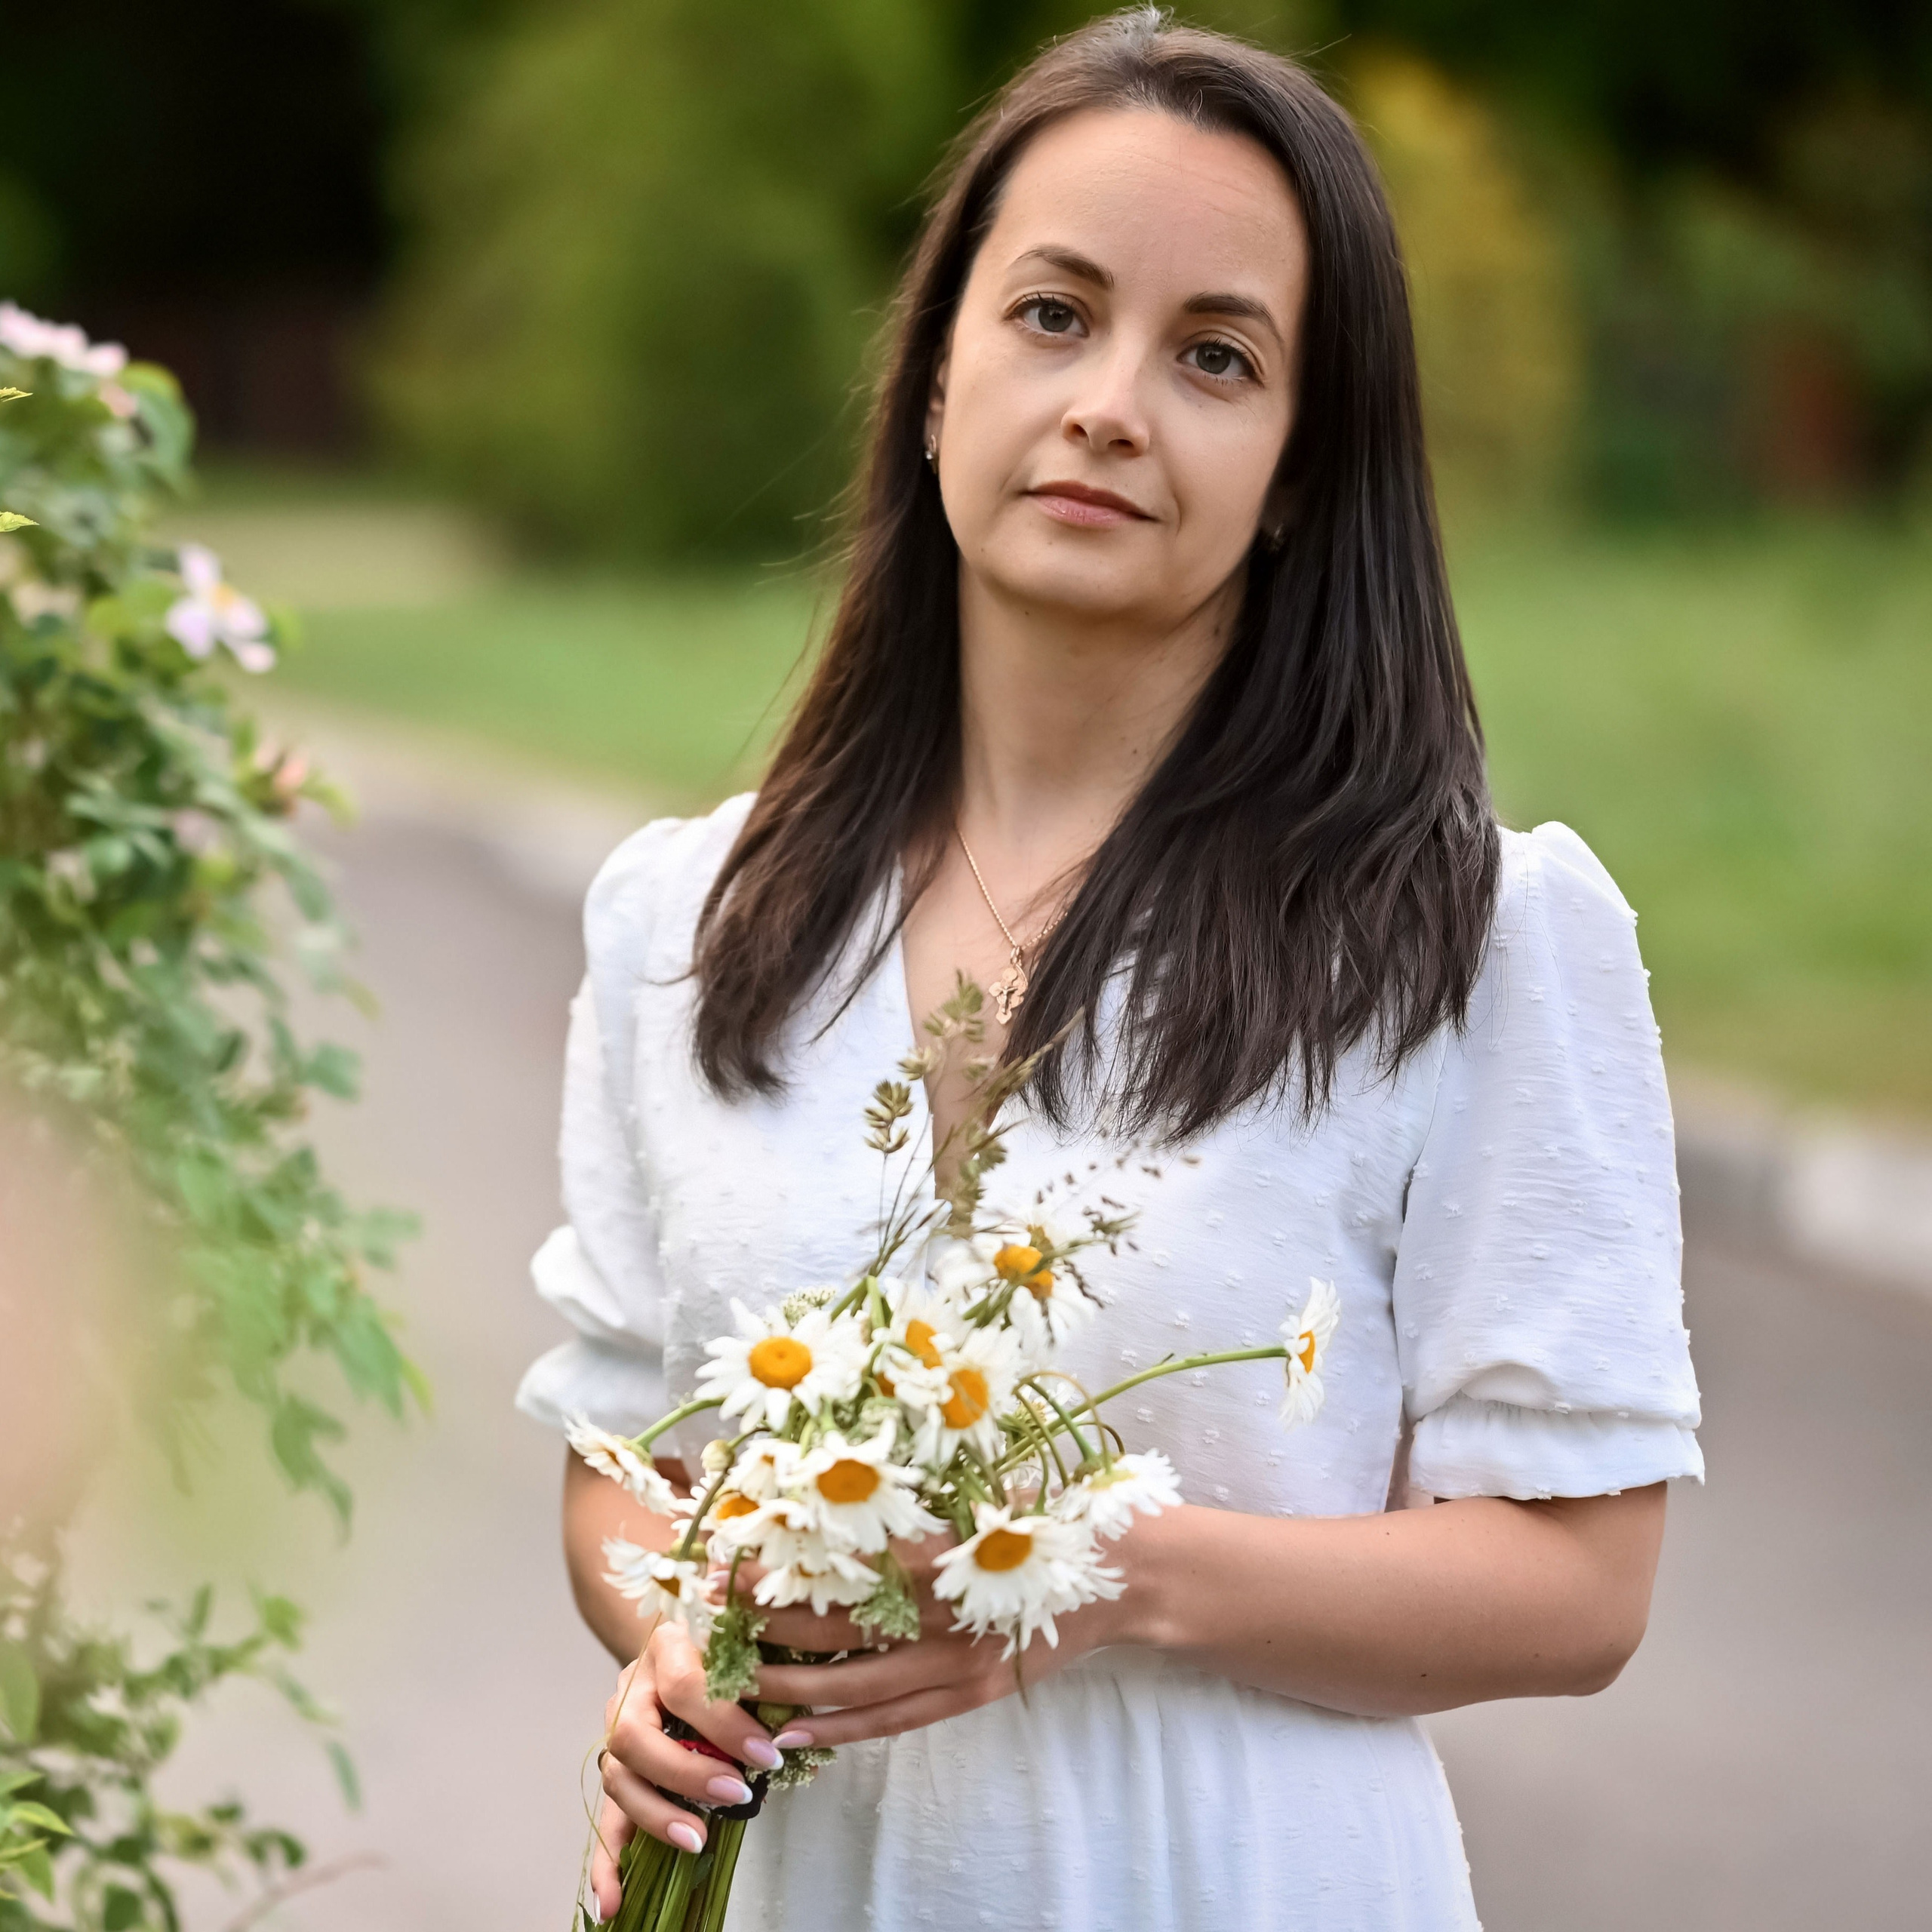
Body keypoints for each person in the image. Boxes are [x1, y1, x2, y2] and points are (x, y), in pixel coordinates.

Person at [514, 11, 1703, 1927]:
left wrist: (1082, 1568)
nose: (1107, 405)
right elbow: (618, 1447)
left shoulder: (1466, 931)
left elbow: (1578, 1587)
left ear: (1299, 468)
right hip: (803, 1876)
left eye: (1213, 356)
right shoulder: (685, 917)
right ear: (931, 375)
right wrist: (675, 1648)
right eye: (1052, 315)